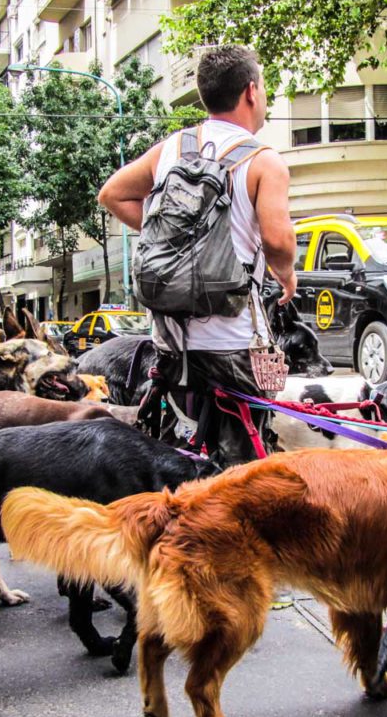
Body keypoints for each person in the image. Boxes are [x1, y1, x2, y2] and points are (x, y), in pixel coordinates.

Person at [97, 44, 297, 468]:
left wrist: (174, 245)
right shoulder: (264, 161)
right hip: (232, 347)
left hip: (170, 346)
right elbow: (279, 242)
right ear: (251, 92)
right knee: (240, 473)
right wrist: (288, 276)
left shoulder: (171, 148)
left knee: (175, 459)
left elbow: (112, 194)